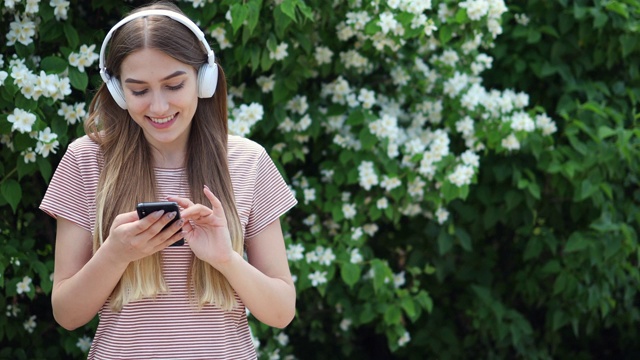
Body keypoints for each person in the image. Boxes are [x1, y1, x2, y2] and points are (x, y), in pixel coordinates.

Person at [40, 2, 297, 359]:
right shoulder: (86, 160)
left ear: (203, 80)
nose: (158, 107)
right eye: (139, 91)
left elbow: (281, 312)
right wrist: (115, 255)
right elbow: (67, 314)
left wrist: (226, 259)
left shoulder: (249, 161)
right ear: (117, 91)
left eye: (174, 85)